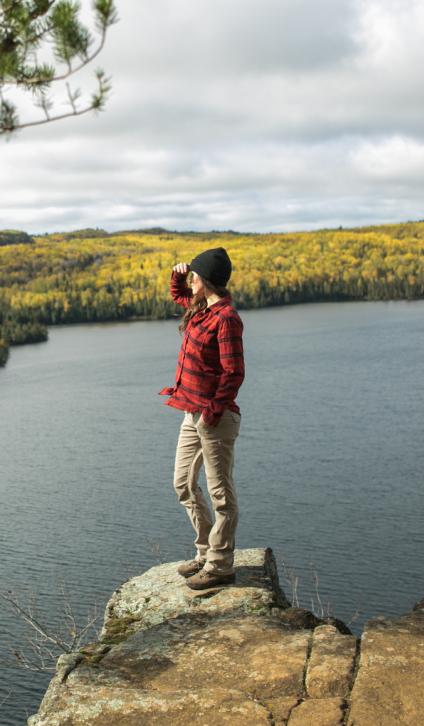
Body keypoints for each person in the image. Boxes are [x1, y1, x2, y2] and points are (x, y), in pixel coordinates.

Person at [160, 247, 245, 590]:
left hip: (214, 418)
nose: (190, 278)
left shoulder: (226, 319)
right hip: (191, 412)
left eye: (195, 274)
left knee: (220, 494)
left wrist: (211, 412)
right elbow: (179, 293)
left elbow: (234, 373)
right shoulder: (201, 308)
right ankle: (206, 550)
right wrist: (179, 274)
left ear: (206, 280)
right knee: (183, 483)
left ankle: (220, 565)